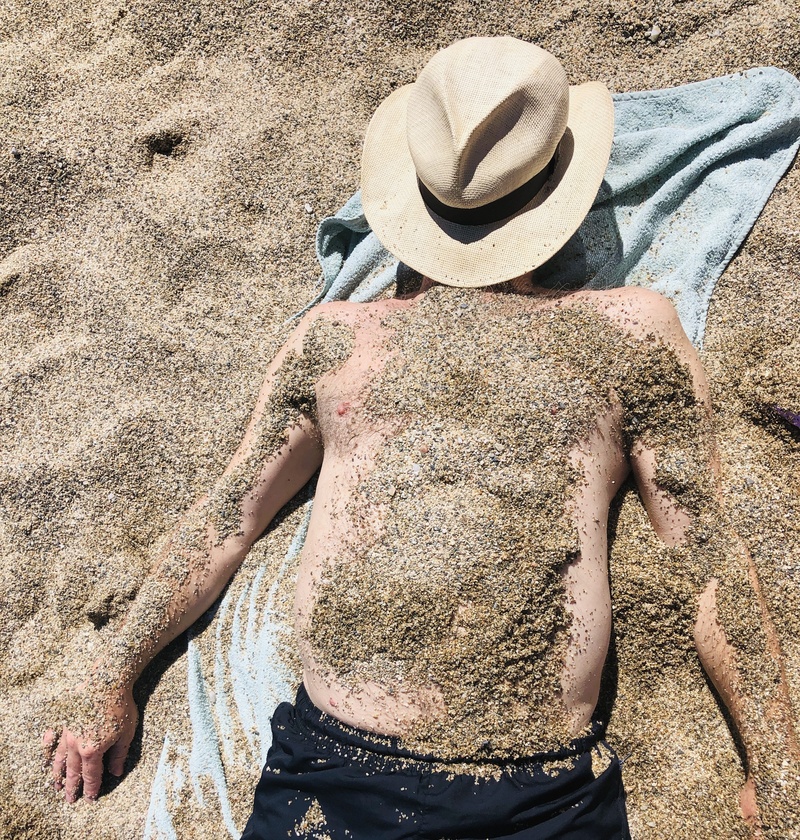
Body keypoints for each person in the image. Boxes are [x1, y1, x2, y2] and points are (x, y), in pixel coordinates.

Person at [44, 37, 798, 839]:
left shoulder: (623, 335)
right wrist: (112, 671)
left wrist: (779, 761)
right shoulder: (341, 341)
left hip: (536, 789)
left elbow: (704, 551)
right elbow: (229, 517)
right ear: (561, 200)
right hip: (335, 778)